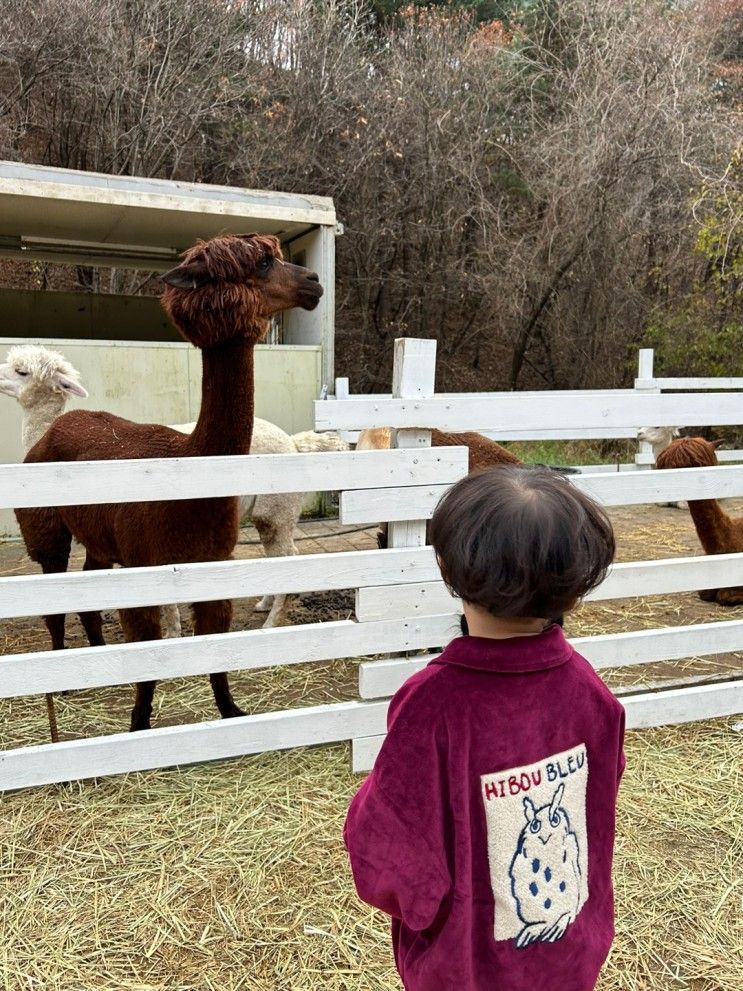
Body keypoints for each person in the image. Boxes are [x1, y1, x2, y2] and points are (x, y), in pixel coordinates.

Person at [344, 466, 626, 991]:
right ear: (574, 584)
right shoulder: (591, 692)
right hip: (569, 957)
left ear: (447, 565)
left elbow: (387, 848)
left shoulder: (433, 706)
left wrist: (418, 906)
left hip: (468, 969)